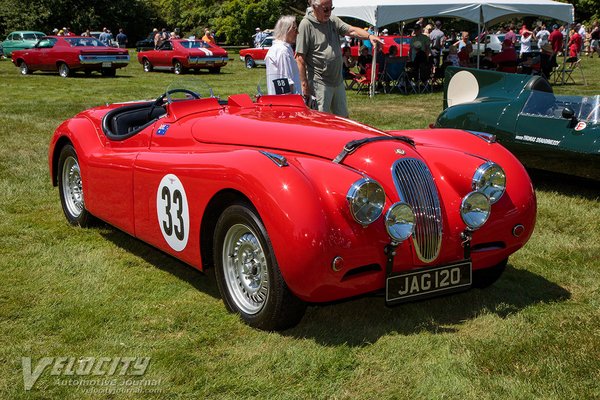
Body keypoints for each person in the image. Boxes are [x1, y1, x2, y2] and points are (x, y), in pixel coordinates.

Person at [295, 0, 382, 117]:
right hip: (319, 82)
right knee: (321, 120)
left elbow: (351, 30)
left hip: (337, 81)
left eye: (331, 8)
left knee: (344, 120)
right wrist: (304, 85)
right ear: (315, 7)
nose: (329, 12)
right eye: (326, 9)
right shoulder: (306, 25)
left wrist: (369, 36)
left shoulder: (332, 20)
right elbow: (300, 58)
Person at [265, 16, 302, 95]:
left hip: (277, 101)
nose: (297, 33)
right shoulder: (283, 51)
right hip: (287, 103)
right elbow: (286, 83)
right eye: (295, 29)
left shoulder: (276, 49)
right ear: (286, 30)